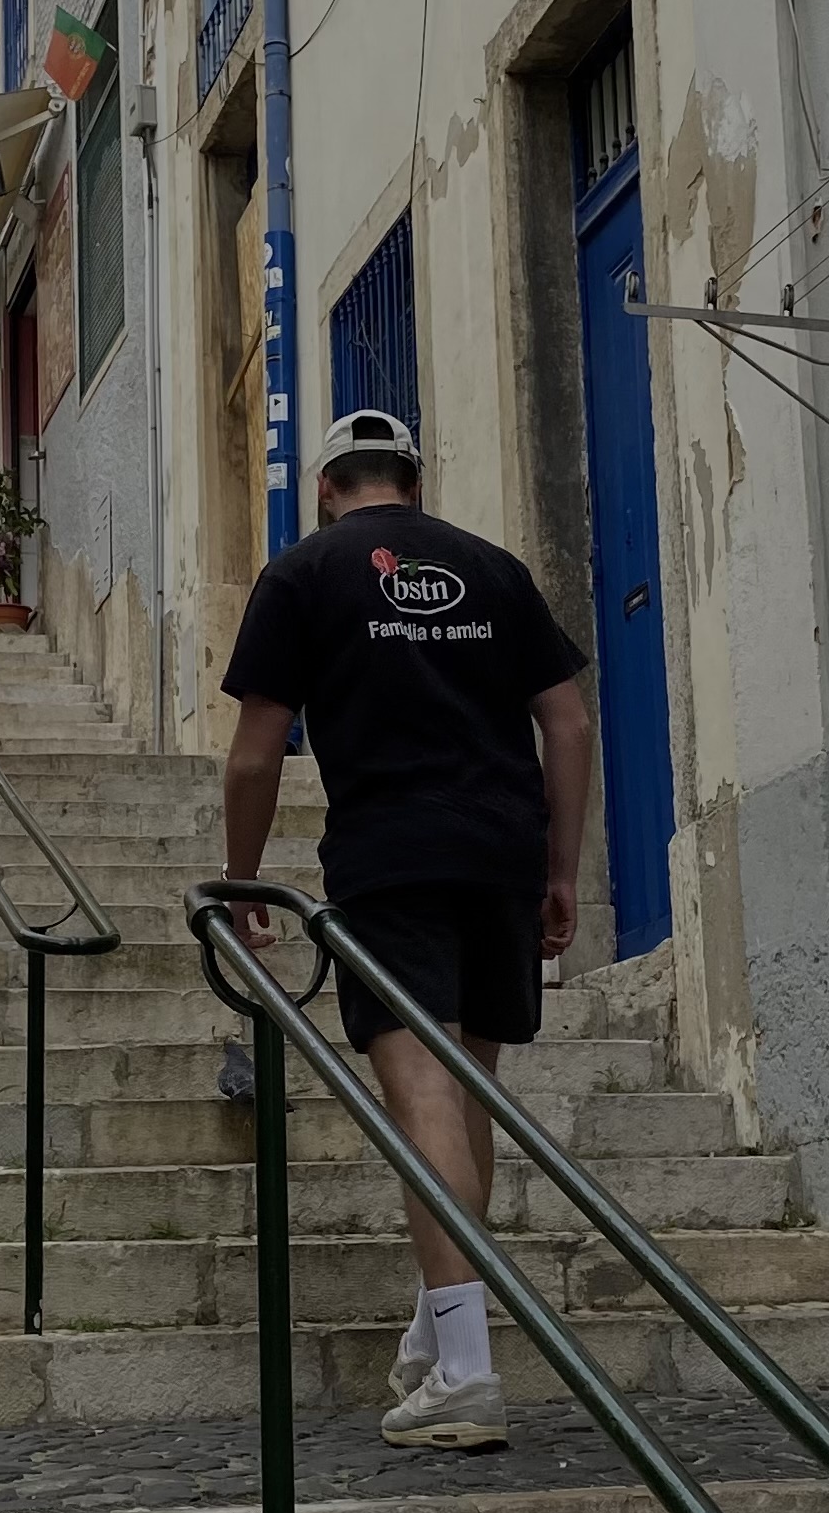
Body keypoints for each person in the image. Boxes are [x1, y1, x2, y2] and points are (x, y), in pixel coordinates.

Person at [221, 408, 593, 1451]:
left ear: (325, 486)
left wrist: (240, 881)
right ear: (413, 483)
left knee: (421, 1096)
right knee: (467, 1092)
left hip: (392, 857)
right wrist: (560, 868)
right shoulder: (494, 568)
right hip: (501, 853)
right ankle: (438, 1334)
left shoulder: (302, 573)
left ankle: (466, 1371)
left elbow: (255, 751)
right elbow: (568, 721)